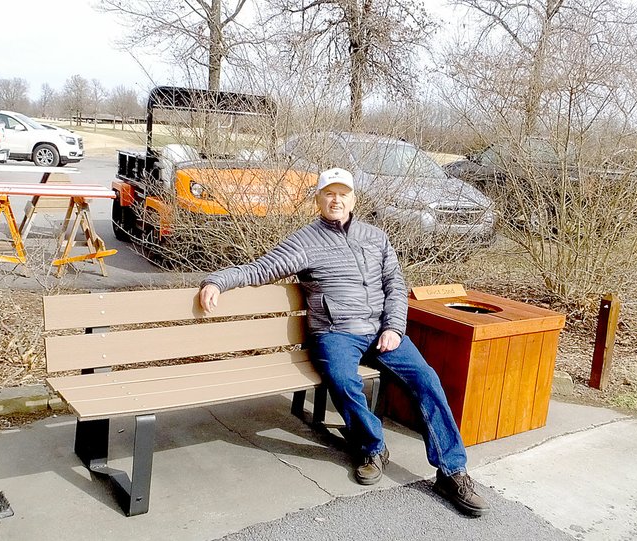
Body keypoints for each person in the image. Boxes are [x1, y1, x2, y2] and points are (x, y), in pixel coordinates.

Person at [198, 167, 489, 517]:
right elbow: (260, 268)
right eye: (328, 193)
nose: (336, 200)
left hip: (383, 330)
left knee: (427, 379)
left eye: (343, 194)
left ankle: (452, 470)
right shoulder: (305, 242)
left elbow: (395, 285)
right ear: (318, 199)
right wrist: (217, 281)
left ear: (354, 199)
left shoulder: (376, 237)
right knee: (342, 379)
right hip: (336, 333)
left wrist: (394, 328)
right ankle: (372, 446)